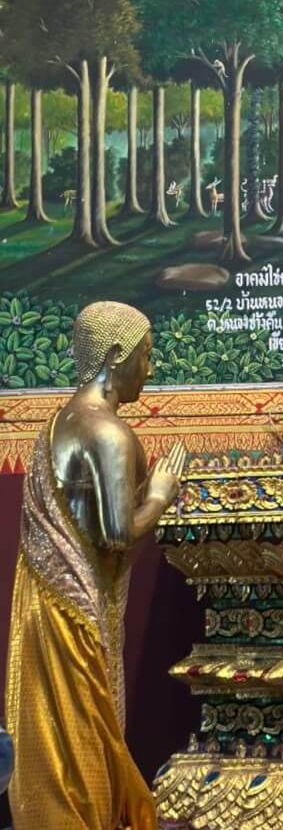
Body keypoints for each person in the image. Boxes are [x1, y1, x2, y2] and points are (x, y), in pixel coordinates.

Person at [5, 301, 186, 830]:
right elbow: (117, 533)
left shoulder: (57, 425)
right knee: (81, 741)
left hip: (47, 608)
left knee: (60, 738)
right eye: (145, 356)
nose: (149, 369)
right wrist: (160, 494)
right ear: (114, 355)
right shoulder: (107, 432)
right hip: (75, 612)